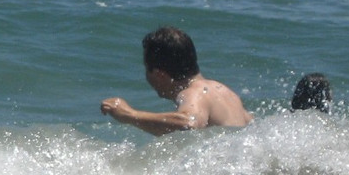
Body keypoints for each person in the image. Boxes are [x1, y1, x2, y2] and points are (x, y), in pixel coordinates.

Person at [100, 26, 252, 134]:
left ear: (159, 74)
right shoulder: (225, 92)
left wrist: (129, 115)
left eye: (147, 69)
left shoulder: (194, 93)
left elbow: (188, 123)